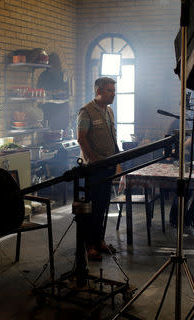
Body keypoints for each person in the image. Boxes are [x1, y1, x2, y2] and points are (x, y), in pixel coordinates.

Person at [77, 77, 119, 260]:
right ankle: (90, 246)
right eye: (109, 90)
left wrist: (117, 160)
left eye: (114, 90)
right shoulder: (86, 112)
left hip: (108, 166)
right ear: (99, 91)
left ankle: (100, 241)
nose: (113, 94)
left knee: (103, 207)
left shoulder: (109, 111)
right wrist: (94, 161)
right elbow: (82, 138)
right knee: (92, 208)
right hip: (94, 169)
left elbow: (112, 138)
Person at [166, 118, 194, 229]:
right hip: (174, 172)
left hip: (190, 170)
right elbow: (168, 155)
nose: (186, 129)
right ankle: (175, 218)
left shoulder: (191, 138)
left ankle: (190, 216)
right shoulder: (171, 138)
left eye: (187, 126)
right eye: (183, 127)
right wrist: (185, 144)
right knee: (185, 190)